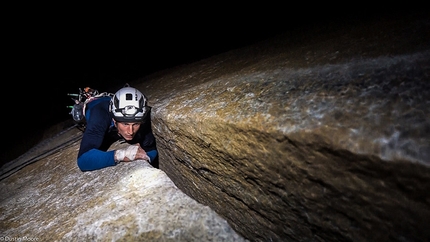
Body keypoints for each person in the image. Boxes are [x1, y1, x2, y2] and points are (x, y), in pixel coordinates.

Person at [77, 84, 158, 171]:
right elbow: (83, 160)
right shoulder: (100, 117)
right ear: (114, 120)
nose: (130, 131)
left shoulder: (141, 119)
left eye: (135, 124)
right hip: (95, 105)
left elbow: (152, 149)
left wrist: (146, 157)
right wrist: (121, 155)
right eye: (125, 124)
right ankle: (88, 96)